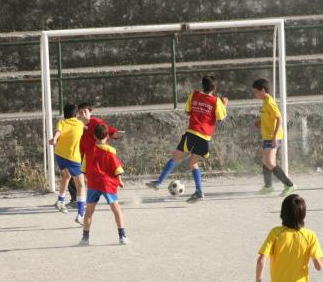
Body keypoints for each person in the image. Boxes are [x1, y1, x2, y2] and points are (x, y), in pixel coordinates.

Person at [146, 75, 228, 203]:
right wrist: (224, 104)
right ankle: (199, 192)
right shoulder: (216, 101)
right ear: (214, 88)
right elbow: (221, 118)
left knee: (175, 157)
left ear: (202, 85)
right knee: (193, 163)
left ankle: (159, 182)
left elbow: (188, 111)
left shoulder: (194, 95)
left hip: (192, 133)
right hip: (205, 137)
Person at [79, 123, 126, 246]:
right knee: (116, 209)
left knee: (89, 212)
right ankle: (122, 236)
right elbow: (117, 168)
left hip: (93, 183)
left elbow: (83, 169)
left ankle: (85, 238)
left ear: (94, 136)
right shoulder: (110, 151)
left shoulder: (88, 151)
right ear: (107, 136)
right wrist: (120, 180)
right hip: (107, 183)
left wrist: (86, 179)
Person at [67, 102, 122, 205]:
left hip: (95, 156)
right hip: (80, 154)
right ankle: (76, 200)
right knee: (71, 173)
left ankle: (110, 198)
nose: (83, 114)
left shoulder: (95, 122)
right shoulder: (76, 123)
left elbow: (107, 129)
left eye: (85, 111)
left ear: (90, 112)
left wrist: (114, 133)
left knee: (100, 179)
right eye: (80, 112)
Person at [252, 78, 296, 196]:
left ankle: (289, 185)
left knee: (269, 161)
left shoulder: (270, 102)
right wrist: (260, 122)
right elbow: (269, 117)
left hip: (273, 136)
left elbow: (279, 118)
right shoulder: (265, 102)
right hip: (267, 136)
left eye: (256, 92)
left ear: (262, 90)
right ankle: (268, 186)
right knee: (265, 161)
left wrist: (275, 138)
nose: (255, 94)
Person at [48, 102, 86, 225]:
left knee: (66, 175)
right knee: (81, 185)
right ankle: (81, 214)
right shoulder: (79, 124)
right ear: (77, 114)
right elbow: (87, 127)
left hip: (59, 154)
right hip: (72, 157)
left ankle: (60, 201)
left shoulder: (62, 122)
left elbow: (58, 131)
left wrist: (55, 139)